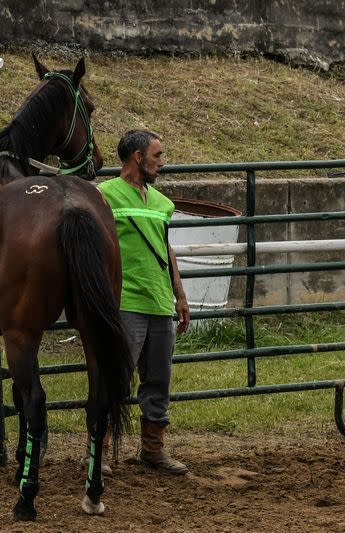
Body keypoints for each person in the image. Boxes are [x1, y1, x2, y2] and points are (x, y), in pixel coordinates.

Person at [97, 129, 190, 475]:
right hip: (125, 302)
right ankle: (99, 450)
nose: (162, 162)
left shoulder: (163, 203)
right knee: (115, 378)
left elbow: (166, 249)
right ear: (137, 156)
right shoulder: (104, 196)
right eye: (157, 155)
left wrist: (179, 295)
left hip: (160, 302)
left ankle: (152, 449)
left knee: (159, 380)